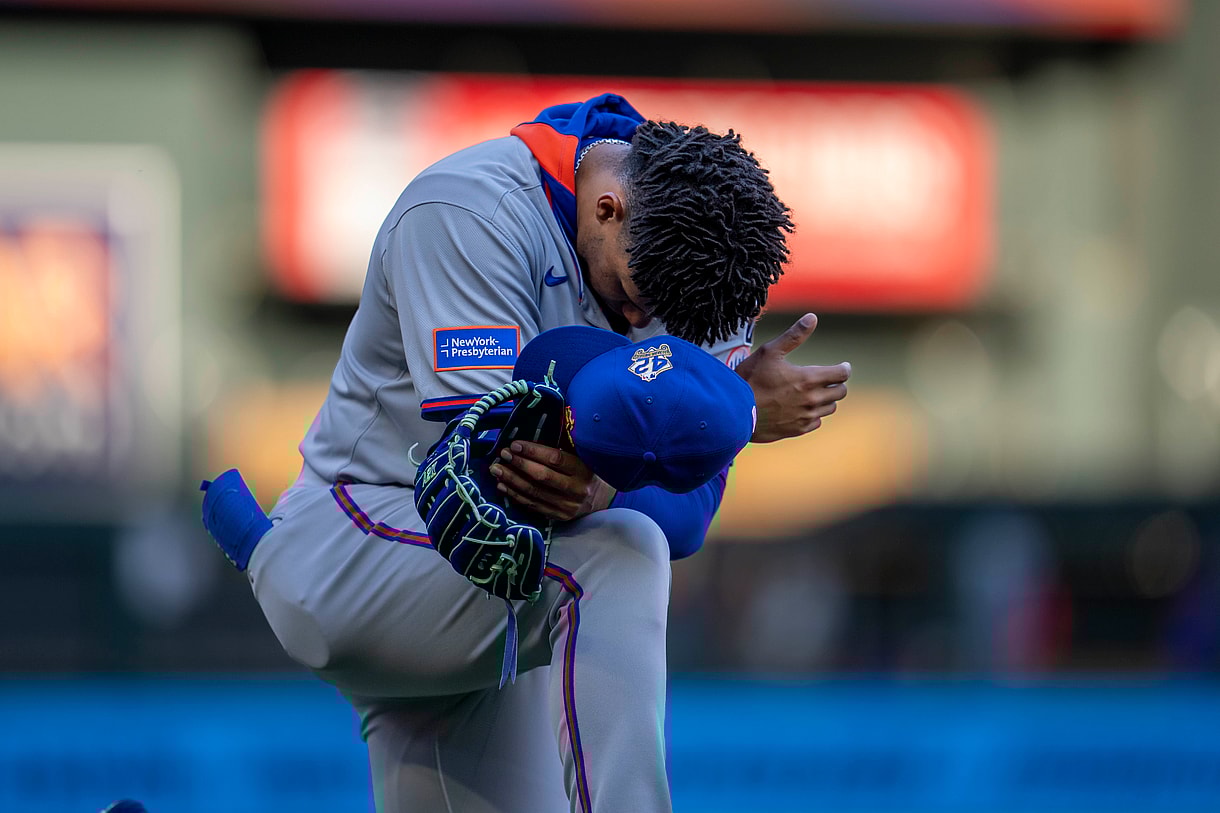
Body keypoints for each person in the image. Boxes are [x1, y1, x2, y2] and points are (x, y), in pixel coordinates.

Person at [214, 93, 850, 812]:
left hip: (490, 595)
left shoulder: (703, 255)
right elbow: (496, 477)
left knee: (626, 540)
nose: (645, 320)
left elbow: (688, 518)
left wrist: (718, 418)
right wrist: (719, 412)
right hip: (362, 540)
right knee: (619, 551)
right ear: (607, 208)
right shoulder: (469, 211)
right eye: (637, 296)